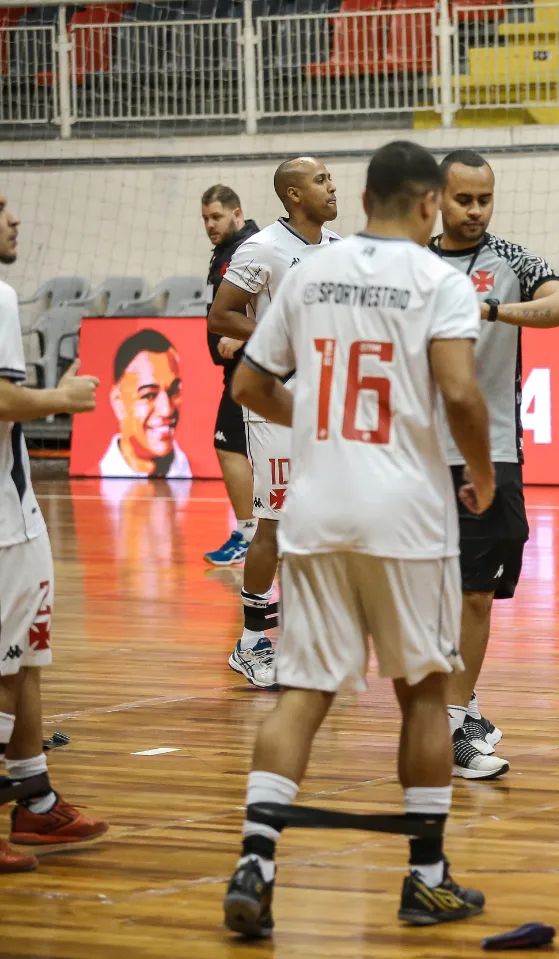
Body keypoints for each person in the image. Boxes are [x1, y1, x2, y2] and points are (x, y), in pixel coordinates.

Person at [223, 140, 496, 938]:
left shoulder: (308, 274)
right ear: (428, 203)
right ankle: (426, 877)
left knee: (304, 691)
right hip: (405, 517)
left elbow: (248, 383)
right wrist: (483, 472)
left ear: (368, 198)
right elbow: (459, 392)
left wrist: (311, 421)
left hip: (316, 511)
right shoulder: (439, 280)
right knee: (424, 692)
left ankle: (256, 859)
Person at [427, 150, 559, 782]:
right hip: (416, 454)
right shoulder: (411, 263)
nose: (475, 211)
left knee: (478, 594)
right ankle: (448, 722)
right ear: (438, 197)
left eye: (484, 199)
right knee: (429, 595)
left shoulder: (513, 260)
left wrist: (491, 311)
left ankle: (456, 715)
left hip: (491, 454)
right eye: (463, 199)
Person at [0, 188, 110, 873]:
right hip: (2, 525)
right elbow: (2, 399)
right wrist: (62, 399)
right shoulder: (0, 296)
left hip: (19, 513)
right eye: (0, 208)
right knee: (6, 673)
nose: (14, 219)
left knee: (26, 661)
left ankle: (35, 799)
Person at [208, 157, 341, 690]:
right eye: (321, 180)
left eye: (330, 178)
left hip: (324, 402)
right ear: (293, 194)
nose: (332, 187)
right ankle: (251, 642)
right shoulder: (261, 247)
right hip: (274, 399)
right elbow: (221, 315)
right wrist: (280, 334)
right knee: (276, 522)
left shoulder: (338, 249)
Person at [201, 184, 261, 566]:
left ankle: (249, 533)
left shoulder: (250, 248)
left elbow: (275, 299)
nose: (210, 224)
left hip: (251, 368)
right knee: (247, 449)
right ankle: (260, 532)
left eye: (217, 217)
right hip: (237, 371)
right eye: (205, 218)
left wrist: (241, 336)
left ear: (237, 213)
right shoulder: (226, 251)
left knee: (228, 445)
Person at [98, 329, 191, 478]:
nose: (166, 410)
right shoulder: (95, 477)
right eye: (149, 395)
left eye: (174, 391)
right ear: (118, 402)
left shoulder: (194, 473)